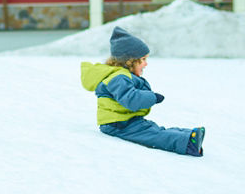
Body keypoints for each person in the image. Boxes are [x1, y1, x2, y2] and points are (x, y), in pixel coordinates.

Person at [80, 26, 205, 156]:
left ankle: (189, 135)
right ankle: (189, 143)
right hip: (117, 124)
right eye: (143, 59)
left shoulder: (122, 75)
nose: (146, 64)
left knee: (153, 129)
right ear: (129, 61)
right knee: (151, 134)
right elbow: (130, 99)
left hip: (125, 120)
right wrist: (153, 97)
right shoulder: (118, 77)